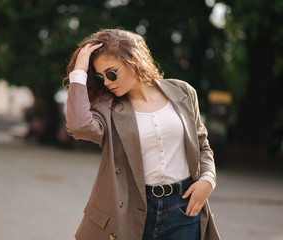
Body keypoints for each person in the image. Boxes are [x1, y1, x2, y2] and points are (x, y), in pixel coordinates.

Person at [63, 29, 220, 240]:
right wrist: (79, 72)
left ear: (133, 60)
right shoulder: (108, 107)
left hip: (184, 208)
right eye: (101, 78)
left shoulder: (182, 92)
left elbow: (202, 145)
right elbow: (79, 127)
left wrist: (208, 180)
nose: (107, 82)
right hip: (132, 210)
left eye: (111, 73)